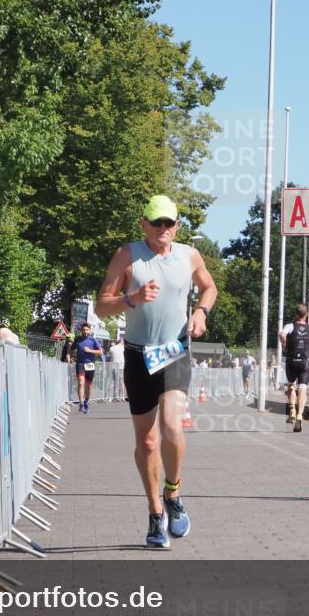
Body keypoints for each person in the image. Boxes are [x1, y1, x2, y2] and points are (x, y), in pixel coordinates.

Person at [95, 194, 217, 549]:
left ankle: (173, 492)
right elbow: (102, 306)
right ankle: (154, 514)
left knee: (172, 426)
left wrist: (200, 314)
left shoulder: (189, 255)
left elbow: (209, 287)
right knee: (147, 441)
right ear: (143, 224)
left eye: (169, 223)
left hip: (174, 350)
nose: (163, 229)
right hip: (137, 354)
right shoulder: (127, 255)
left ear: (177, 226)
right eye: (156, 222)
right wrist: (130, 299)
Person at [279, 304, 309, 432]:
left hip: (291, 361)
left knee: (291, 386)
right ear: (306, 315)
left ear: (296, 314)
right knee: (302, 390)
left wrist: (285, 345)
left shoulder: (290, 326)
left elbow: (282, 334)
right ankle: (300, 416)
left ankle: (291, 410)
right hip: (304, 363)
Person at [67, 323, 103, 414]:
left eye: (87, 330)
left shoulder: (93, 340)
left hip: (90, 364)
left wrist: (90, 350)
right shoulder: (78, 340)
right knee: (80, 381)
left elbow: (101, 352)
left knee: (89, 386)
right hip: (80, 364)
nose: (85, 332)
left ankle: (86, 401)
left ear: (89, 331)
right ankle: (81, 403)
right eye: (83, 330)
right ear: (81, 331)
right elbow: (71, 349)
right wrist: (70, 357)